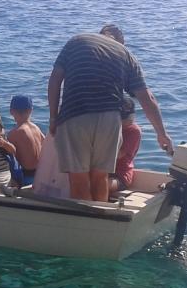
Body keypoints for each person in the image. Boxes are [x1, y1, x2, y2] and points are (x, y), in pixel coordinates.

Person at [48, 31, 173, 202]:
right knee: (100, 177)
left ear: (102, 34)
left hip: (75, 113)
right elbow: (147, 97)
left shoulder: (77, 41)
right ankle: (99, 214)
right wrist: (161, 133)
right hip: (110, 119)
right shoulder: (125, 53)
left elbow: (55, 79)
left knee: (79, 179)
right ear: (120, 41)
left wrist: (53, 117)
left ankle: (86, 218)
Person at [0, 94, 45, 185]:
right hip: (39, 173)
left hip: (25, 176)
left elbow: (13, 151)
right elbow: (45, 142)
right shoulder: (36, 128)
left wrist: (4, 143)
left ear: (11, 111)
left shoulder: (15, 132)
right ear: (31, 110)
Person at [110, 96, 142, 196]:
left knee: (99, 185)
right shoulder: (108, 127)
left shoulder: (133, 131)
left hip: (120, 176)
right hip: (101, 172)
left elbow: (118, 155)